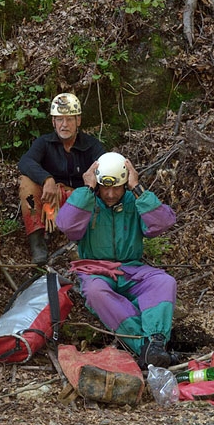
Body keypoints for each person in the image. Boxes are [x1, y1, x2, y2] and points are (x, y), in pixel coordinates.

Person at [56, 151, 177, 368]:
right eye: (105, 187)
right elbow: (66, 225)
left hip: (132, 268)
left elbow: (163, 223)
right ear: (98, 183)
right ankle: (145, 347)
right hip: (95, 269)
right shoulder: (87, 200)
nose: (110, 194)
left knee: (164, 282)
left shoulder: (134, 200)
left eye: (117, 187)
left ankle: (156, 341)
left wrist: (138, 189)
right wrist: (87, 190)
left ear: (125, 184)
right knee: (95, 293)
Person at [18, 93, 105, 265]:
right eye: (59, 119)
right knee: (26, 183)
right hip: (46, 202)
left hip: (80, 203)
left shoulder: (92, 146)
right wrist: (47, 179)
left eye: (69, 119)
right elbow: (25, 162)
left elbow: (105, 169)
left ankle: (83, 241)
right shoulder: (44, 143)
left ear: (78, 121)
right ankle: (37, 241)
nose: (64, 125)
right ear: (53, 122)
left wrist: (73, 193)